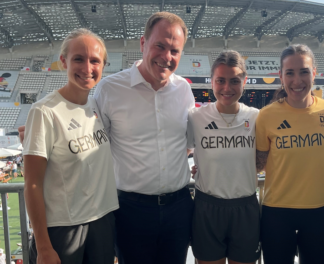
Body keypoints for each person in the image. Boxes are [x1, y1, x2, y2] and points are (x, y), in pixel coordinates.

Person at [93, 12, 194, 264]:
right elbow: (92, 145)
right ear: (143, 43)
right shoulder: (109, 89)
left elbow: (188, 143)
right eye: (160, 45)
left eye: (175, 50)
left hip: (179, 206)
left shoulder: (184, 89)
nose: (167, 57)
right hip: (131, 210)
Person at [22, 28, 118, 264]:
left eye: (95, 60)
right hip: (63, 228)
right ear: (63, 61)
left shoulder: (96, 106)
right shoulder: (44, 111)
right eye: (78, 59)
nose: (87, 68)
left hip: (103, 220)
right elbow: (32, 183)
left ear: (103, 65)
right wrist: (44, 247)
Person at [255, 44, 324, 264]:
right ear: (281, 76)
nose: (297, 80)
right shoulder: (266, 116)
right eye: (289, 73)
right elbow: (258, 164)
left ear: (314, 72)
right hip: (277, 212)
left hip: (318, 211)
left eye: (304, 71)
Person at [187, 50, 260, 264]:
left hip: (245, 208)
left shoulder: (256, 117)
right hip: (207, 208)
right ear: (212, 81)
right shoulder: (196, 117)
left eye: (234, 81)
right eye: (220, 80)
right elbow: (183, 151)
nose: (227, 88)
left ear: (244, 82)